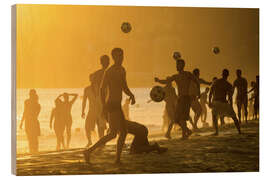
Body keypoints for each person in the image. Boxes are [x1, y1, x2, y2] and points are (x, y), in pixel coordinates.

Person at [83, 48, 136, 164]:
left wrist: (131, 95)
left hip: (117, 104)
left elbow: (124, 86)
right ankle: (92, 151)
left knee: (118, 133)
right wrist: (103, 106)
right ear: (114, 57)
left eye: (122, 56)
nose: (121, 58)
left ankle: (92, 152)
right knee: (117, 133)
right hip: (111, 104)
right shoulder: (110, 72)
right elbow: (102, 89)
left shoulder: (122, 70)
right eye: (118, 56)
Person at [155, 58, 200, 139]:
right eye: (176, 65)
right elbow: (166, 81)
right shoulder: (176, 76)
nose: (176, 66)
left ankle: (186, 132)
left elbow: (196, 81)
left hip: (185, 98)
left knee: (180, 118)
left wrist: (198, 92)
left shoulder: (187, 74)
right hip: (181, 99)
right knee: (180, 118)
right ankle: (185, 133)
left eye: (177, 65)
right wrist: (158, 81)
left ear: (182, 65)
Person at [208, 69, 241, 136]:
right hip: (222, 102)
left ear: (222, 74)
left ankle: (216, 131)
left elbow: (210, 92)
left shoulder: (216, 82)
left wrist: (209, 101)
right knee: (234, 117)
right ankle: (239, 131)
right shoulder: (228, 84)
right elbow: (230, 97)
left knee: (214, 116)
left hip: (217, 102)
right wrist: (231, 105)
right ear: (227, 75)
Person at [82, 74, 106, 147]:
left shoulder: (101, 88)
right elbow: (84, 101)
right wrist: (82, 111)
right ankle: (89, 141)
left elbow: (105, 99)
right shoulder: (87, 89)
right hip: (92, 110)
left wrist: (106, 110)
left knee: (100, 128)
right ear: (90, 80)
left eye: (94, 78)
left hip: (101, 110)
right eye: (91, 78)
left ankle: (101, 142)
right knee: (87, 127)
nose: (93, 80)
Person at [19, 89, 41, 154]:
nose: (30, 95)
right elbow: (25, 111)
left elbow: (35, 114)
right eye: (30, 94)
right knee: (30, 137)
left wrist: (22, 122)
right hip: (29, 121)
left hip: (32, 121)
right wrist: (21, 122)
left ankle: (35, 150)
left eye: (32, 94)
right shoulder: (27, 102)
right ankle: (32, 150)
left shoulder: (37, 105)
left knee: (34, 137)